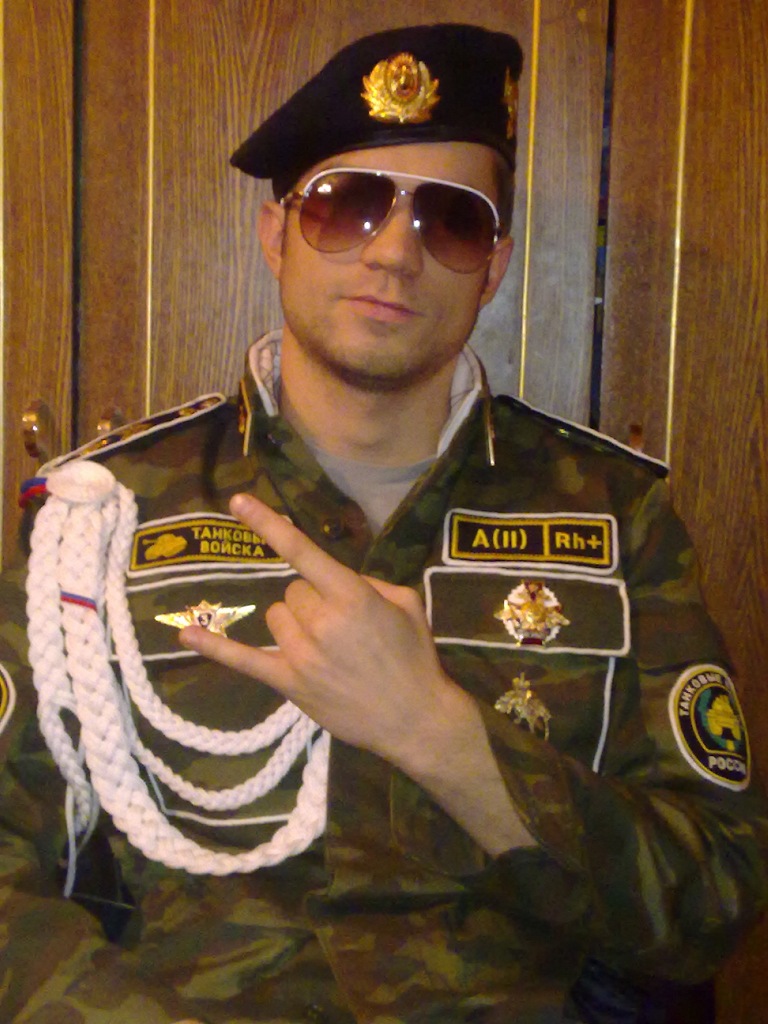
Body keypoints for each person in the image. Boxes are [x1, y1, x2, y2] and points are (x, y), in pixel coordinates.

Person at [0, 22, 766, 1024]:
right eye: (348, 204)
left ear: (493, 267)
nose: (396, 252)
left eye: (451, 221)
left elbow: (714, 898)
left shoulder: (615, 517)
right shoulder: (103, 512)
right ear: (275, 234)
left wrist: (438, 734)